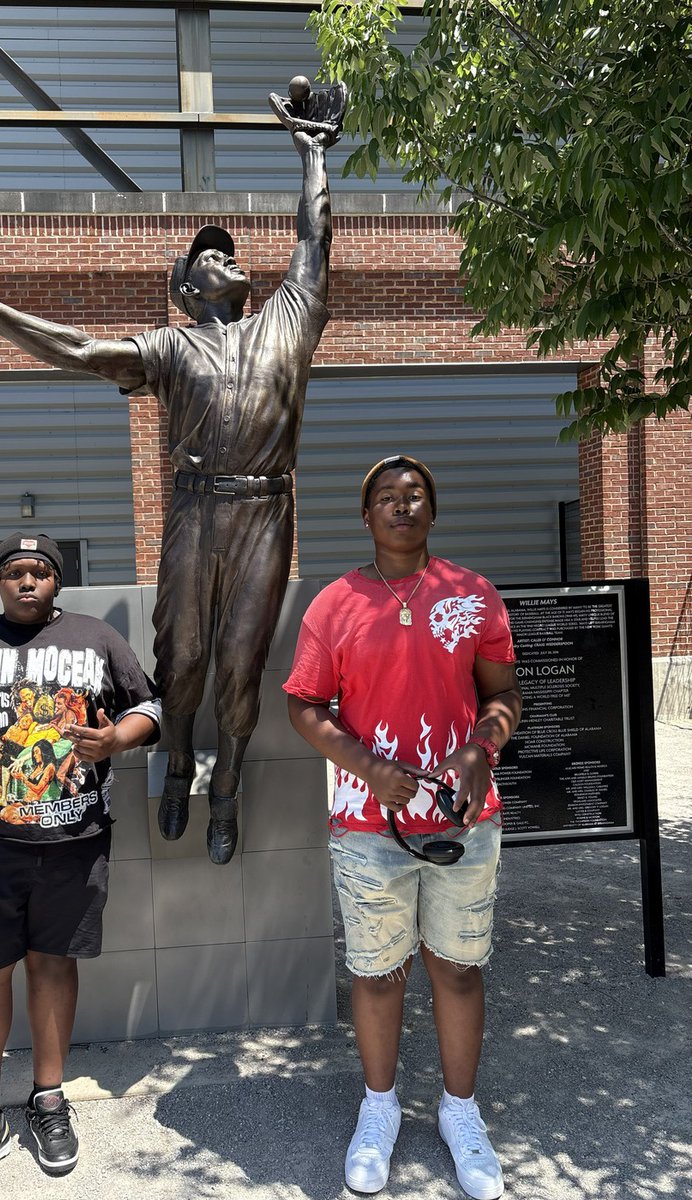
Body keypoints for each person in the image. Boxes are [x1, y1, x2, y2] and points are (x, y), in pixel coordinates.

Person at [0, 78, 346, 865]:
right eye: (210, 257)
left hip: (266, 515)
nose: (229, 261)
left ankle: (229, 784)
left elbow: (314, 240)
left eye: (232, 255)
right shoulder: (169, 347)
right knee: (183, 658)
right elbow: (74, 348)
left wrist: (312, 153)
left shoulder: (286, 320)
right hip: (195, 511)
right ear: (185, 288)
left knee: (242, 659)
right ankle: (177, 764)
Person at [283, 456, 522, 1200]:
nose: (402, 505)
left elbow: (505, 691)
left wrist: (483, 748)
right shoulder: (335, 604)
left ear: (432, 510)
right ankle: (379, 1109)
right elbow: (305, 705)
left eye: (414, 495)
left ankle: (460, 1113)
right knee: (379, 974)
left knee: (457, 967)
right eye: (386, 497)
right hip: (368, 825)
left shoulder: (472, 595)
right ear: (366, 516)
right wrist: (366, 763)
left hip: (463, 822)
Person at [0, 533, 160, 1199]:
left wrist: (115, 738)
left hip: (74, 842)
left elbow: (150, 706)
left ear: (57, 581)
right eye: (13, 572)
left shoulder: (98, 639)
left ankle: (47, 1102)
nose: (26, 581)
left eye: (39, 571)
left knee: (52, 964)